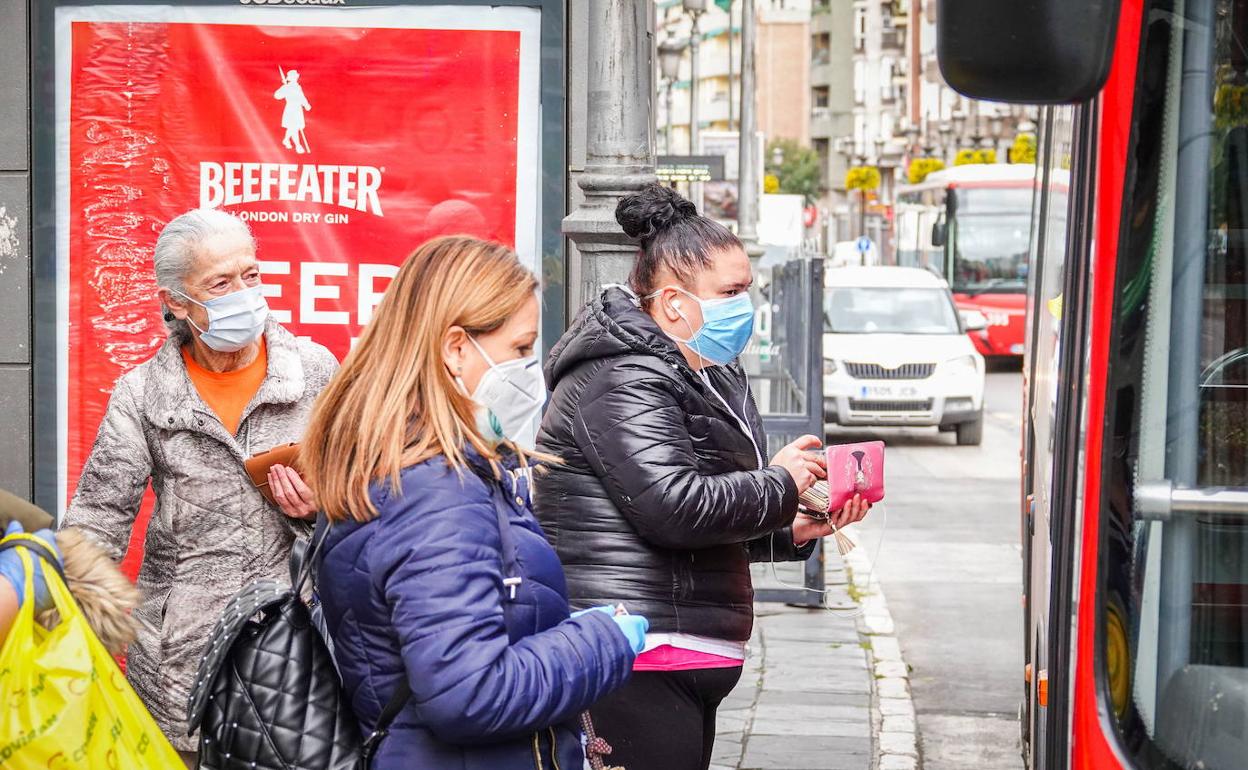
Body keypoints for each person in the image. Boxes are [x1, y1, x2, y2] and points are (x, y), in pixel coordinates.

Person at [533, 184, 872, 770]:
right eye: (731, 293)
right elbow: (673, 506)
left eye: (747, 290)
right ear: (671, 303)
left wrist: (787, 527)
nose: (745, 306)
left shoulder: (709, 372)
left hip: (684, 644)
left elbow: (703, 507)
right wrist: (779, 483)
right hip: (633, 646)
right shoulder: (622, 377)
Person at [302, 236, 644, 770]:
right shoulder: (434, 491)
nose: (530, 372)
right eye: (520, 349)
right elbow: (470, 693)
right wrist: (601, 640)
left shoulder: (416, 468)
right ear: (455, 348)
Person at [63, 208, 337, 766]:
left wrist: (321, 509)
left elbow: (369, 497)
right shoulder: (143, 394)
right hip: (177, 663)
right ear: (176, 302)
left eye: (251, 274)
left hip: (294, 653)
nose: (244, 293)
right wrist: (61, 626)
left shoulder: (314, 370)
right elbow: (96, 523)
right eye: (221, 282)